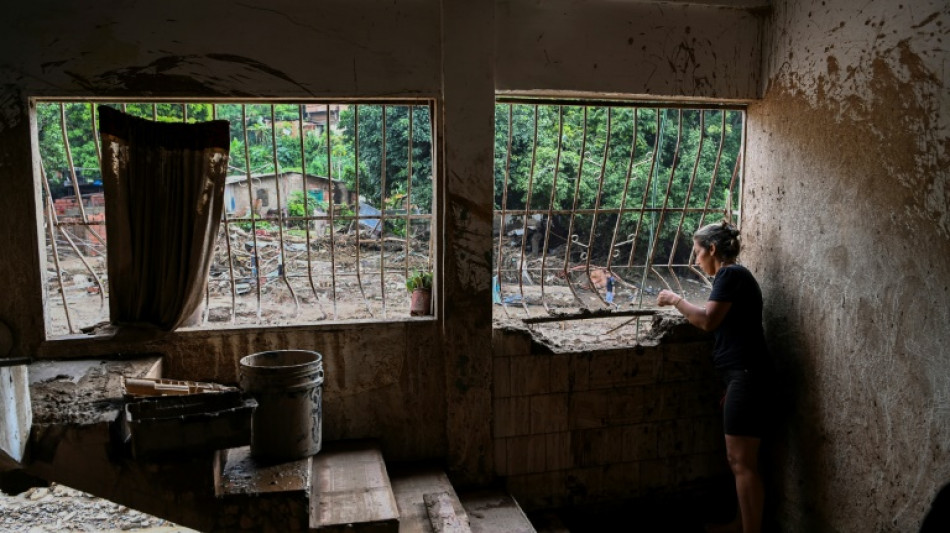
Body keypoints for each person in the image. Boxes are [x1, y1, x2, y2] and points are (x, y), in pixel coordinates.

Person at [656, 220, 770, 533]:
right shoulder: (734, 276)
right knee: (739, 462)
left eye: (696, 252)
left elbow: (708, 320)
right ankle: (739, 523)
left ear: (713, 250)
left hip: (745, 376)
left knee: (741, 462)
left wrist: (675, 300)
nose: (695, 260)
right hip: (742, 376)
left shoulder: (731, 274)